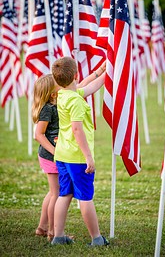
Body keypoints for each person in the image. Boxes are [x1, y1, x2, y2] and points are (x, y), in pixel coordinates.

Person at [51, 57, 109, 246]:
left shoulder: (63, 95)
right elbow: (77, 129)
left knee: (64, 194)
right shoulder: (75, 101)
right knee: (85, 197)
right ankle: (97, 238)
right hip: (77, 158)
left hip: (62, 155)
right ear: (76, 75)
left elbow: (89, 88)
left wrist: (105, 72)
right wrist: (88, 157)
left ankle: (58, 236)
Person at [32, 74, 59, 242]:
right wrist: (56, 153)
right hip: (50, 156)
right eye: (57, 84)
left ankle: (42, 228)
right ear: (51, 93)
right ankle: (53, 232)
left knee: (52, 192)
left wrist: (99, 73)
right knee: (57, 193)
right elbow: (38, 135)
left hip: (50, 155)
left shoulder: (53, 105)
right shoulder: (47, 108)